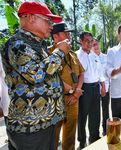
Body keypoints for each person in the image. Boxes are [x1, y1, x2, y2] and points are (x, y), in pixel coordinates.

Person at [0, 1, 71, 150]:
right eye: (48, 20)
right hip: (30, 128)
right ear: (31, 18)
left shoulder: (37, 44)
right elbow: (36, 75)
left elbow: (49, 76)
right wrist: (60, 52)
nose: (51, 26)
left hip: (45, 124)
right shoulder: (17, 44)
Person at [49, 22, 84, 150]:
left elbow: (82, 73)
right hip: (56, 100)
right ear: (55, 36)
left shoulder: (73, 54)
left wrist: (77, 91)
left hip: (74, 99)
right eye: (66, 33)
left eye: (69, 33)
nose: (69, 36)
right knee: (53, 135)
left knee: (70, 133)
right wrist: (71, 91)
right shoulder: (48, 53)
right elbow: (51, 76)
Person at [76, 32, 106, 149]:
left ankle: (94, 137)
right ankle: (82, 141)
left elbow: (100, 73)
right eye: (86, 41)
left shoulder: (94, 55)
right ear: (81, 41)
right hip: (84, 88)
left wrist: (103, 86)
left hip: (95, 87)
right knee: (82, 116)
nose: (89, 43)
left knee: (96, 114)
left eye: (91, 41)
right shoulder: (77, 55)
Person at [91, 38, 110, 135]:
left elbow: (110, 72)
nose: (96, 46)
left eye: (97, 44)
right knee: (96, 111)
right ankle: (95, 132)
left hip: (106, 87)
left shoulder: (106, 57)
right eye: (93, 45)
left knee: (105, 109)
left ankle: (106, 130)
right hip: (94, 89)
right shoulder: (90, 58)